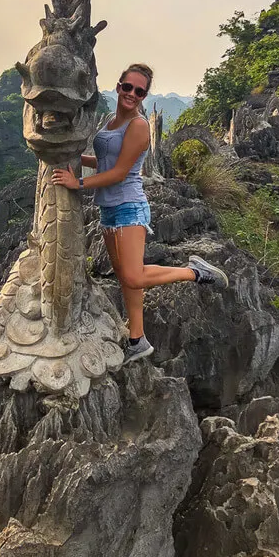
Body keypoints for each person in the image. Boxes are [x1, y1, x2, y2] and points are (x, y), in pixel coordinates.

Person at [51, 63, 229, 365]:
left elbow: (120, 173)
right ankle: (137, 339)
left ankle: (197, 272)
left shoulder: (138, 126)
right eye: (127, 87)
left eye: (139, 91)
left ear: (144, 96)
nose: (131, 94)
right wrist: (71, 155)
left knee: (134, 275)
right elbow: (106, 160)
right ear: (119, 85)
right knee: (125, 277)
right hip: (108, 207)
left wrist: (77, 183)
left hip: (129, 206)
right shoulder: (110, 119)